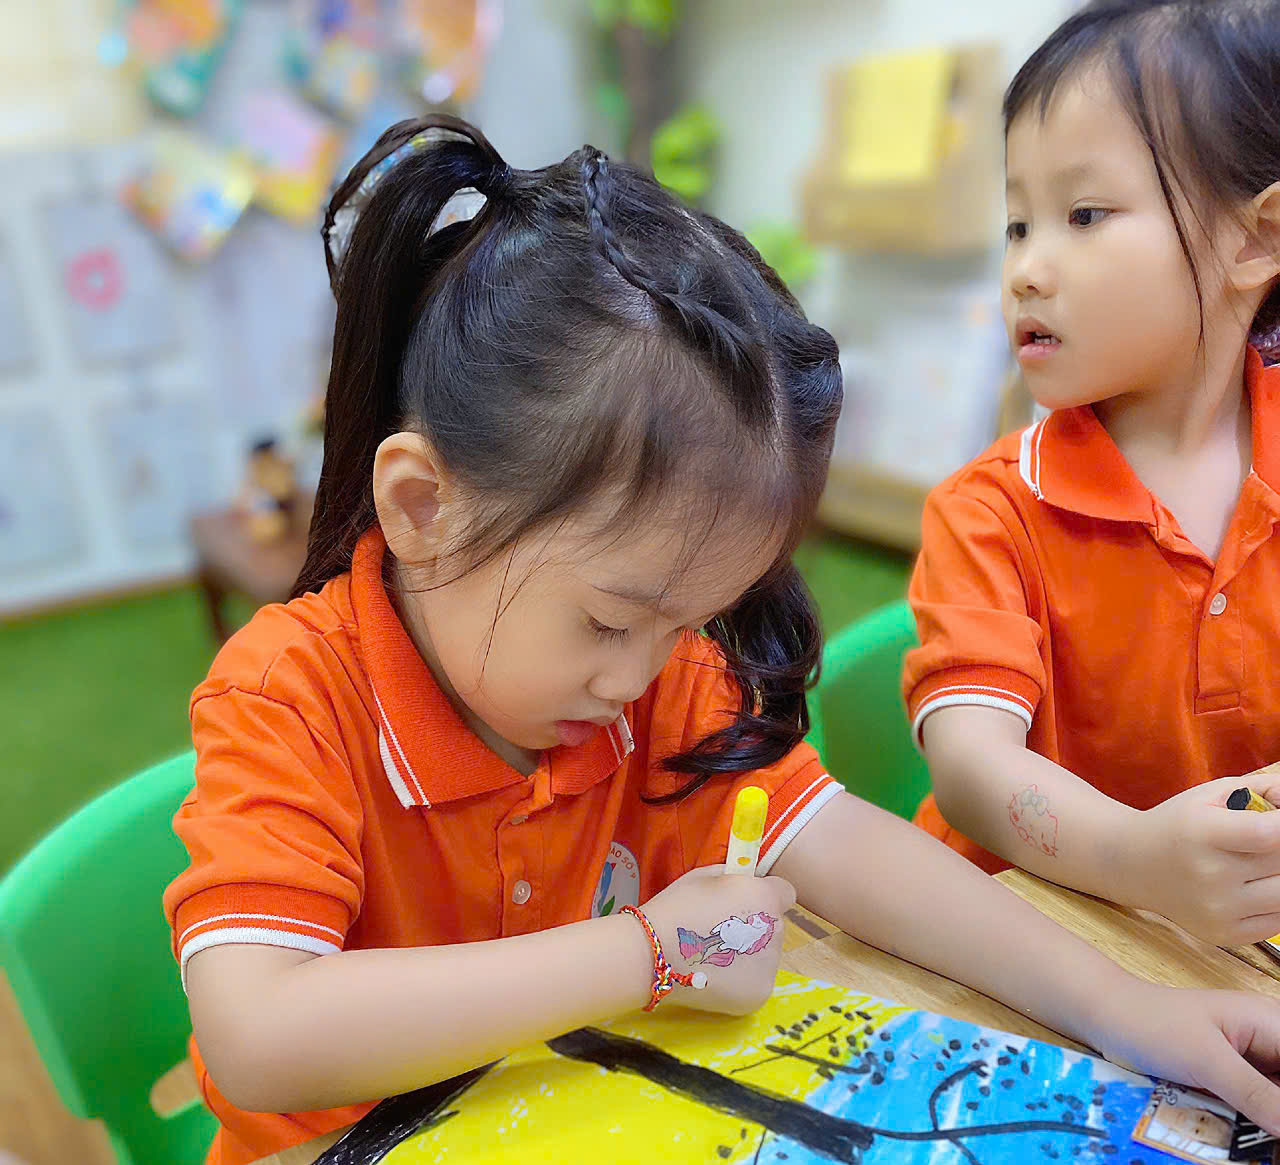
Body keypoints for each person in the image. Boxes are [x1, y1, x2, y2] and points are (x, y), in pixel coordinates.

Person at [167, 114, 1280, 1165]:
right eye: (607, 617)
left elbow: (847, 846)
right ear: (421, 507)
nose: (642, 671)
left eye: (684, 621)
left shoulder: (647, 678)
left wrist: (1131, 1007)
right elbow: (259, 1032)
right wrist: (646, 954)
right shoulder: (289, 695)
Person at [905, 0, 1280, 948]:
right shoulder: (989, 510)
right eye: (1017, 224)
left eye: (1082, 214)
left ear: (1253, 242)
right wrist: (1137, 858)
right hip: (1006, 957)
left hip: (1214, 957)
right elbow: (971, 769)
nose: (1027, 268)